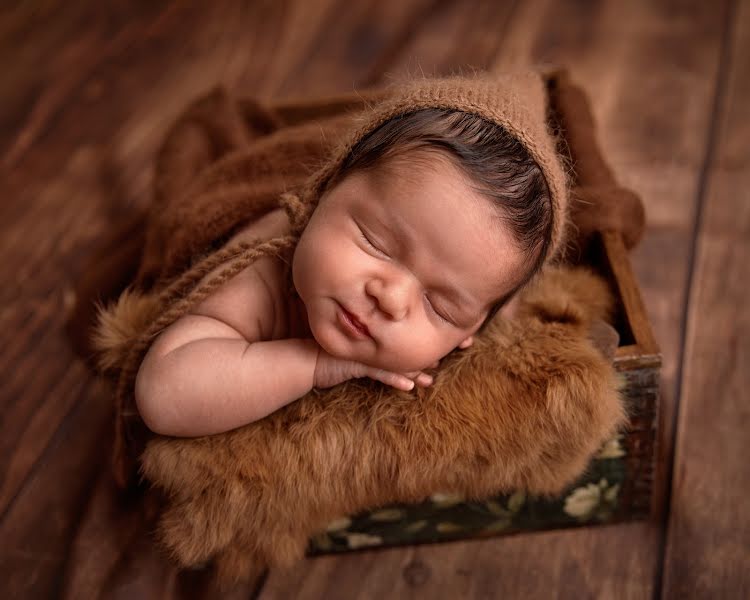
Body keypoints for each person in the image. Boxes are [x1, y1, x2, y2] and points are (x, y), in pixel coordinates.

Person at [132, 79, 566, 438]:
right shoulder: (261, 276)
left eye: (441, 306)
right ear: (324, 193)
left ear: (468, 335)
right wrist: (314, 365)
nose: (390, 299)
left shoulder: (479, 301)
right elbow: (162, 396)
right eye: (376, 243)